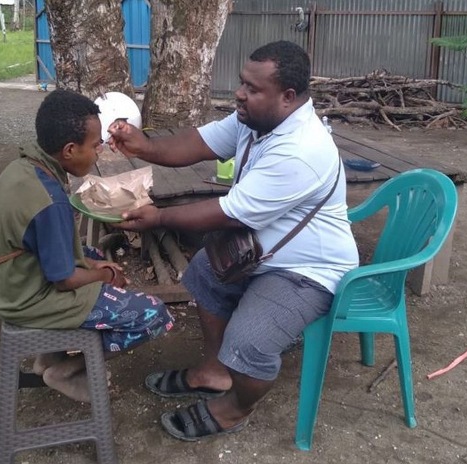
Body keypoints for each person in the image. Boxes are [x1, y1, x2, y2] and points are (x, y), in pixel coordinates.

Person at [107, 40, 359, 441]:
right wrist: (146, 146)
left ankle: (236, 407)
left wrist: (159, 218)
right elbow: (198, 143)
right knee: (206, 272)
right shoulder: (256, 118)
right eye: (242, 83)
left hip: (306, 270)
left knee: (250, 342)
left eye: (253, 89)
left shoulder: (300, 151)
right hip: (262, 249)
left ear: (288, 97)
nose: (240, 94)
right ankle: (214, 371)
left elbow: (228, 211)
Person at [0, 89, 174, 403]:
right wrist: (104, 276)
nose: (99, 152)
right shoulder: (50, 202)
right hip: (25, 298)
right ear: (70, 150)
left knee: (95, 255)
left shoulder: (25, 167)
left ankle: (49, 357)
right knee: (152, 315)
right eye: (95, 145)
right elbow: (65, 279)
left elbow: (50, 248)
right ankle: (68, 369)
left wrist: (95, 264)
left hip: (8, 281)